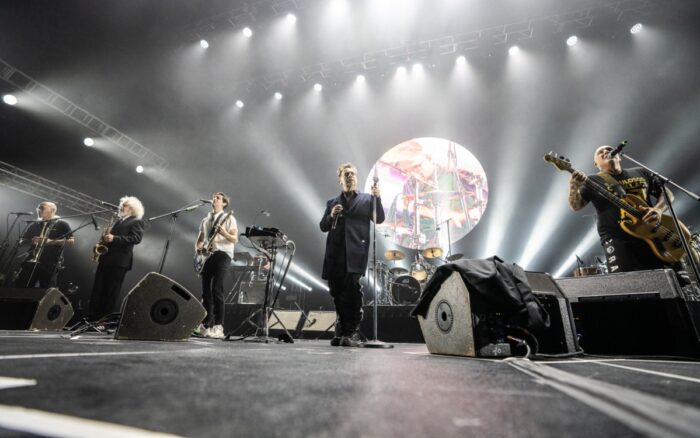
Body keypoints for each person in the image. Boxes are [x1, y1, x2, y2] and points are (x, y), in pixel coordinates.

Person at [568, 145, 671, 273]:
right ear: (596, 163)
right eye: (600, 152)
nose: (606, 151)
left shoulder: (640, 172)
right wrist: (573, 186)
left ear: (619, 156)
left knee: (666, 279)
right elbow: (576, 206)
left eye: (609, 149)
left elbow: (667, 194)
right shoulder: (591, 181)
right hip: (617, 238)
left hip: (653, 235)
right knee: (625, 282)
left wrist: (658, 210)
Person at [320, 163, 385, 347]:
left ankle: (353, 331)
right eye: (346, 174)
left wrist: (377, 198)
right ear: (340, 179)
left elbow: (379, 218)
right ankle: (343, 329)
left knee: (352, 291)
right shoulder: (332, 202)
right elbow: (323, 226)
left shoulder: (366, 199)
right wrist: (331, 215)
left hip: (356, 252)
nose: (350, 176)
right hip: (335, 252)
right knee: (336, 291)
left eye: (353, 174)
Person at [89, 196, 145, 321]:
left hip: (119, 262)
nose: (121, 207)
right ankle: (93, 318)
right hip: (106, 259)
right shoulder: (119, 221)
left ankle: (104, 320)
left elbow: (136, 239)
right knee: (98, 290)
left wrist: (114, 238)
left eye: (124, 205)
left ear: (132, 208)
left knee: (110, 292)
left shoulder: (136, 221)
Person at [194, 192, 238, 339]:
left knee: (216, 289)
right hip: (209, 256)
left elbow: (234, 238)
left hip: (223, 254)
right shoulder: (205, 220)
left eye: (218, 198)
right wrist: (199, 249)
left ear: (224, 203)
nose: (214, 199)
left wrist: (224, 232)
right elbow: (200, 240)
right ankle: (206, 325)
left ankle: (219, 326)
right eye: (213, 197)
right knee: (205, 292)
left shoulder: (229, 218)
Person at [14, 201, 74, 288]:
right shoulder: (34, 225)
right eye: (38, 208)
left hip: (50, 263)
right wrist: (31, 241)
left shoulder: (62, 224)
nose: (38, 210)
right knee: (20, 287)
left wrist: (51, 241)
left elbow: (71, 241)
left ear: (52, 210)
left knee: (46, 292)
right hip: (30, 261)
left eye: (42, 208)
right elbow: (22, 242)